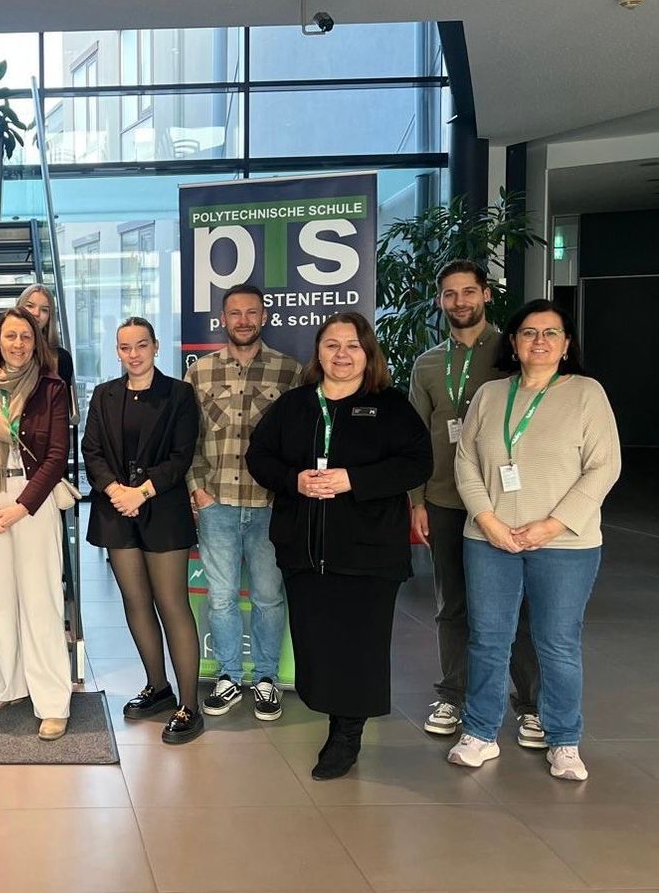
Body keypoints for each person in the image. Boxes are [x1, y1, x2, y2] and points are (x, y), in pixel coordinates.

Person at [246, 312, 432, 780]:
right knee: (318, 643)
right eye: (332, 345)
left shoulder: (389, 406)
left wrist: (356, 480)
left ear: (368, 353)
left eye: (353, 345)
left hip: (369, 554)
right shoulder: (294, 406)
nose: (342, 354)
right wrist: (295, 480)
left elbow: (418, 463)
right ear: (319, 353)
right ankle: (333, 714)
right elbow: (258, 456)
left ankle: (346, 734)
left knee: (361, 646)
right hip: (305, 552)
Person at [448, 300, 620, 781]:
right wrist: (487, 520)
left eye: (550, 333)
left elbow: (605, 466)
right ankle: (480, 732)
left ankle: (564, 740)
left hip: (566, 544)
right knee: (487, 639)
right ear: (514, 343)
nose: (539, 341)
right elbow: (465, 461)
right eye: (528, 333)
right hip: (489, 539)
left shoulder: (587, 394)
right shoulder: (489, 395)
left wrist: (553, 525)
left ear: (566, 345)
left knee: (557, 643)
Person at [409, 262, 542, 746]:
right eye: (450, 294)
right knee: (453, 604)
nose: (460, 301)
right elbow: (418, 440)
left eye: (469, 292)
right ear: (440, 301)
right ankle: (453, 694)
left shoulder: (512, 354)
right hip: (446, 499)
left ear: (485, 295)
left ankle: (530, 704)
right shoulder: (426, 363)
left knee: (518, 605)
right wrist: (417, 500)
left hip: (507, 500)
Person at [82, 317, 203, 744]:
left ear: (155, 346)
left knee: (172, 604)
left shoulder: (179, 394)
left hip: (162, 509)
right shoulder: (104, 395)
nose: (133, 353)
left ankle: (191, 705)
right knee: (136, 602)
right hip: (117, 510)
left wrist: (142, 491)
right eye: (125, 347)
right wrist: (117, 490)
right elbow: (91, 451)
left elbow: (181, 455)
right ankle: (158, 687)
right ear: (117, 351)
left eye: (141, 345)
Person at [184, 284, 302, 722]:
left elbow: (299, 441)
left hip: (270, 504)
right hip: (217, 502)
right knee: (221, 597)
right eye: (235, 313)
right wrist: (197, 487)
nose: (244, 320)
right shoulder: (201, 372)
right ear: (223, 319)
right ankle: (230, 676)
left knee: (270, 596)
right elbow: (188, 437)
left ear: (264, 316)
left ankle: (267, 678)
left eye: (252, 312)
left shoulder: (290, 371)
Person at [0, 307, 73, 740]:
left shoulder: (52, 389)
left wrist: (21, 507)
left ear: (36, 342)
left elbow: (57, 455)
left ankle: (52, 700)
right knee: (3, 600)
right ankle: (9, 684)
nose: (18, 344)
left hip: (33, 503)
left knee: (41, 601)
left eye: (26, 337)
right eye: (10, 336)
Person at [18, 283, 75, 397]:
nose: (36, 313)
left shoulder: (61, 358)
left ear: (50, 317)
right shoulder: (3, 352)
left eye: (44, 310)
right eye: (30, 306)